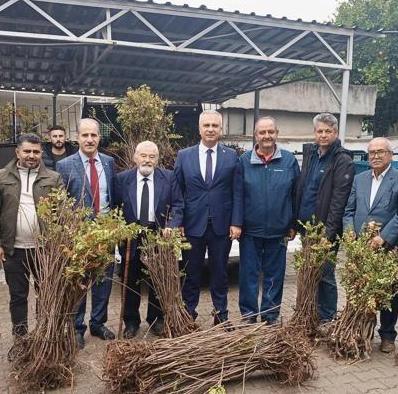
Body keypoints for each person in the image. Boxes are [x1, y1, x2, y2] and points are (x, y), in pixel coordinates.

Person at [0, 133, 62, 342]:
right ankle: (20, 339)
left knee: (45, 295)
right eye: (27, 151)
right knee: (18, 297)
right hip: (14, 250)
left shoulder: (53, 178)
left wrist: (58, 246)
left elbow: (62, 214)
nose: (31, 155)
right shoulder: (1, 177)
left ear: (41, 153)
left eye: (36, 151)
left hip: (44, 251)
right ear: (17, 152)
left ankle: (43, 337)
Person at [343, 137, 398, 353]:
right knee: (360, 289)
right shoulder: (360, 178)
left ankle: (388, 335)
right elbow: (349, 210)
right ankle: (362, 331)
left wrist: (383, 237)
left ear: (390, 154)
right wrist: (349, 233)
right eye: (371, 152)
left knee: (388, 291)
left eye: (380, 151)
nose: (375, 155)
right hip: (360, 246)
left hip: (388, 247)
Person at [173, 110, 243, 325]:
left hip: (221, 226)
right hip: (192, 226)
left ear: (221, 129)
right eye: (207, 125)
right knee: (191, 274)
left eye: (215, 125)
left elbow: (237, 191)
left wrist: (236, 222)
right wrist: (178, 221)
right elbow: (177, 190)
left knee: (220, 274)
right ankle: (188, 316)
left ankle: (221, 316)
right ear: (200, 128)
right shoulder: (184, 156)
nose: (211, 129)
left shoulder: (231, 156)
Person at [56, 118, 117, 348]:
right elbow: (62, 203)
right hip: (80, 236)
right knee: (79, 284)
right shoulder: (65, 165)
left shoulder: (109, 163)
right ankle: (77, 328)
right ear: (77, 137)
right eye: (85, 135)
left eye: (94, 135)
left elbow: (113, 196)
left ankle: (98, 323)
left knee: (104, 281)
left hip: (106, 234)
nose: (89, 139)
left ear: (99, 138)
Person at [113, 140, 184, 338]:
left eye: (152, 156)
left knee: (157, 279)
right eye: (143, 156)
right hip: (131, 237)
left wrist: (171, 226)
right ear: (135, 157)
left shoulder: (169, 178)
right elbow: (115, 208)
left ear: (157, 159)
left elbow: (178, 205)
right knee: (130, 281)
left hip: (158, 235)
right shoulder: (122, 179)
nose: (147, 160)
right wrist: (119, 228)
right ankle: (131, 322)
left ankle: (156, 319)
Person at [236, 117, 299, 325]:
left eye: (270, 131)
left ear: (277, 133)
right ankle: (248, 315)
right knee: (248, 275)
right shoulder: (244, 161)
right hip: (250, 231)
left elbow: (295, 194)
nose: (267, 136)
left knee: (275, 275)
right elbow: (237, 194)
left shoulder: (289, 160)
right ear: (256, 135)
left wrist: (292, 224)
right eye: (262, 132)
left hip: (279, 230)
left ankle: (270, 315)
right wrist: (237, 223)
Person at [294, 113, 354, 323]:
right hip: (307, 228)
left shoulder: (342, 160)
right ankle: (310, 314)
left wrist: (328, 234)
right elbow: (302, 188)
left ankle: (328, 319)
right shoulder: (311, 155)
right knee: (309, 271)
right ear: (314, 133)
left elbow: (339, 201)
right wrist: (296, 223)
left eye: (328, 131)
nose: (323, 135)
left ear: (336, 133)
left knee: (325, 274)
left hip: (324, 231)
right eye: (320, 131)